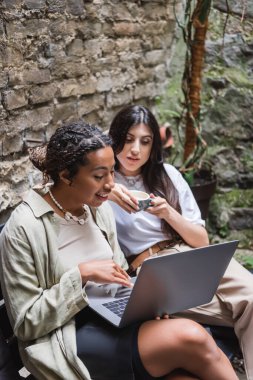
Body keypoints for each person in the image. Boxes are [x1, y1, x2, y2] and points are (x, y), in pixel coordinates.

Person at [0, 121, 237, 380]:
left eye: (113, 172)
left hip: (114, 317)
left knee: (184, 375)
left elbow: (120, 274)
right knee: (191, 336)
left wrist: (147, 302)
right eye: (99, 176)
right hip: (66, 337)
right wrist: (80, 276)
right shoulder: (24, 227)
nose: (111, 185)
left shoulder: (98, 210)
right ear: (66, 175)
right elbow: (25, 325)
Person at [108, 104, 253, 380]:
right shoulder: (102, 184)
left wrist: (168, 213)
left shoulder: (168, 175)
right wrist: (110, 188)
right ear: (114, 138)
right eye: (127, 139)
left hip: (192, 253)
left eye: (145, 141)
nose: (135, 149)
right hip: (154, 267)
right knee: (240, 311)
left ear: (154, 146)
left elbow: (202, 240)